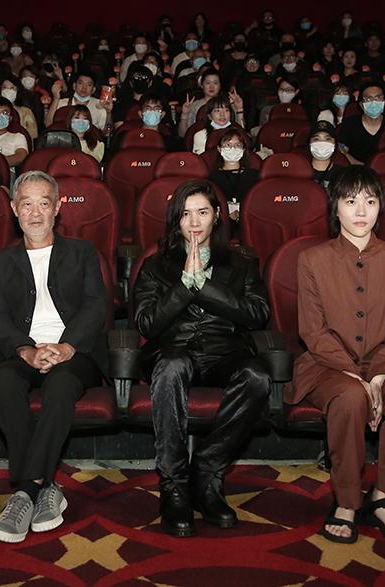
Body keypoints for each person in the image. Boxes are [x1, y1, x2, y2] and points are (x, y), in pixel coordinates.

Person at [291, 166, 385, 546]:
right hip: (327, 365)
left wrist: (379, 374)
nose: (360, 211)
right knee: (350, 396)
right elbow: (313, 332)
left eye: (370, 202)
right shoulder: (312, 259)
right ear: (335, 207)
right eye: (350, 201)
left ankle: (384, 497)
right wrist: (355, 375)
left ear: (380, 208)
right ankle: (347, 500)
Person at [134, 179, 272, 537]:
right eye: (185, 214)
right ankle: (174, 485)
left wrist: (205, 287)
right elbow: (146, 322)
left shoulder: (242, 263)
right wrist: (185, 285)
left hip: (224, 352)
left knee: (257, 376)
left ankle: (208, 471)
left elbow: (258, 314)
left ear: (217, 217)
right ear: (175, 220)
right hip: (172, 351)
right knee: (173, 365)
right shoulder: (155, 266)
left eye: (202, 212)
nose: (194, 222)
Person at [0, 171, 108, 543]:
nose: (35, 213)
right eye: (26, 204)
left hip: (75, 353)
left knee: (61, 384)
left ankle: (26, 490)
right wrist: (26, 349)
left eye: (43, 203)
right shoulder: (1, 262)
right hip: (24, 351)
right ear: (14, 209)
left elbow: (95, 305)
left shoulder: (82, 252)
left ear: (57, 208)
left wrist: (67, 346)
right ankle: (48, 487)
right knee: (3, 381)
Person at [338, 83, 385, 165]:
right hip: (357, 169)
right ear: (361, 104)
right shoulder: (350, 124)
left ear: (384, 102)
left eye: (378, 98)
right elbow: (342, 151)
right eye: (369, 99)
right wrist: (364, 167)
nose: (374, 102)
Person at [208, 128, 259, 222]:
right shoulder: (212, 178)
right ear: (219, 149)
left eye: (237, 145)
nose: (233, 148)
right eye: (228, 145)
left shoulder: (254, 176)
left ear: (243, 149)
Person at [45, 71, 112, 131]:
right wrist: (56, 99)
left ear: (93, 90)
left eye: (89, 85)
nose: (84, 87)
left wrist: (108, 113)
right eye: (80, 83)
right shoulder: (62, 103)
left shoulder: (100, 105)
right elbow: (48, 125)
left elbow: (106, 132)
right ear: (74, 86)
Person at [0, 96, 30, 168]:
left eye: (5, 113)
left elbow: (20, 157)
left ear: (10, 118)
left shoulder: (18, 137)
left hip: (7, 171)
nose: (0, 116)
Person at [0, 77, 39, 141]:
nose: (8, 91)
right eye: (4, 88)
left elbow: (34, 134)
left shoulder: (26, 111)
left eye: (12, 88)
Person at [307, 121, 341, 188]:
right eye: (316, 139)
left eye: (328, 139)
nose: (322, 143)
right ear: (309, 143)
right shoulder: (300, 171)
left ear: (335, 144)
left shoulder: (342, 174)